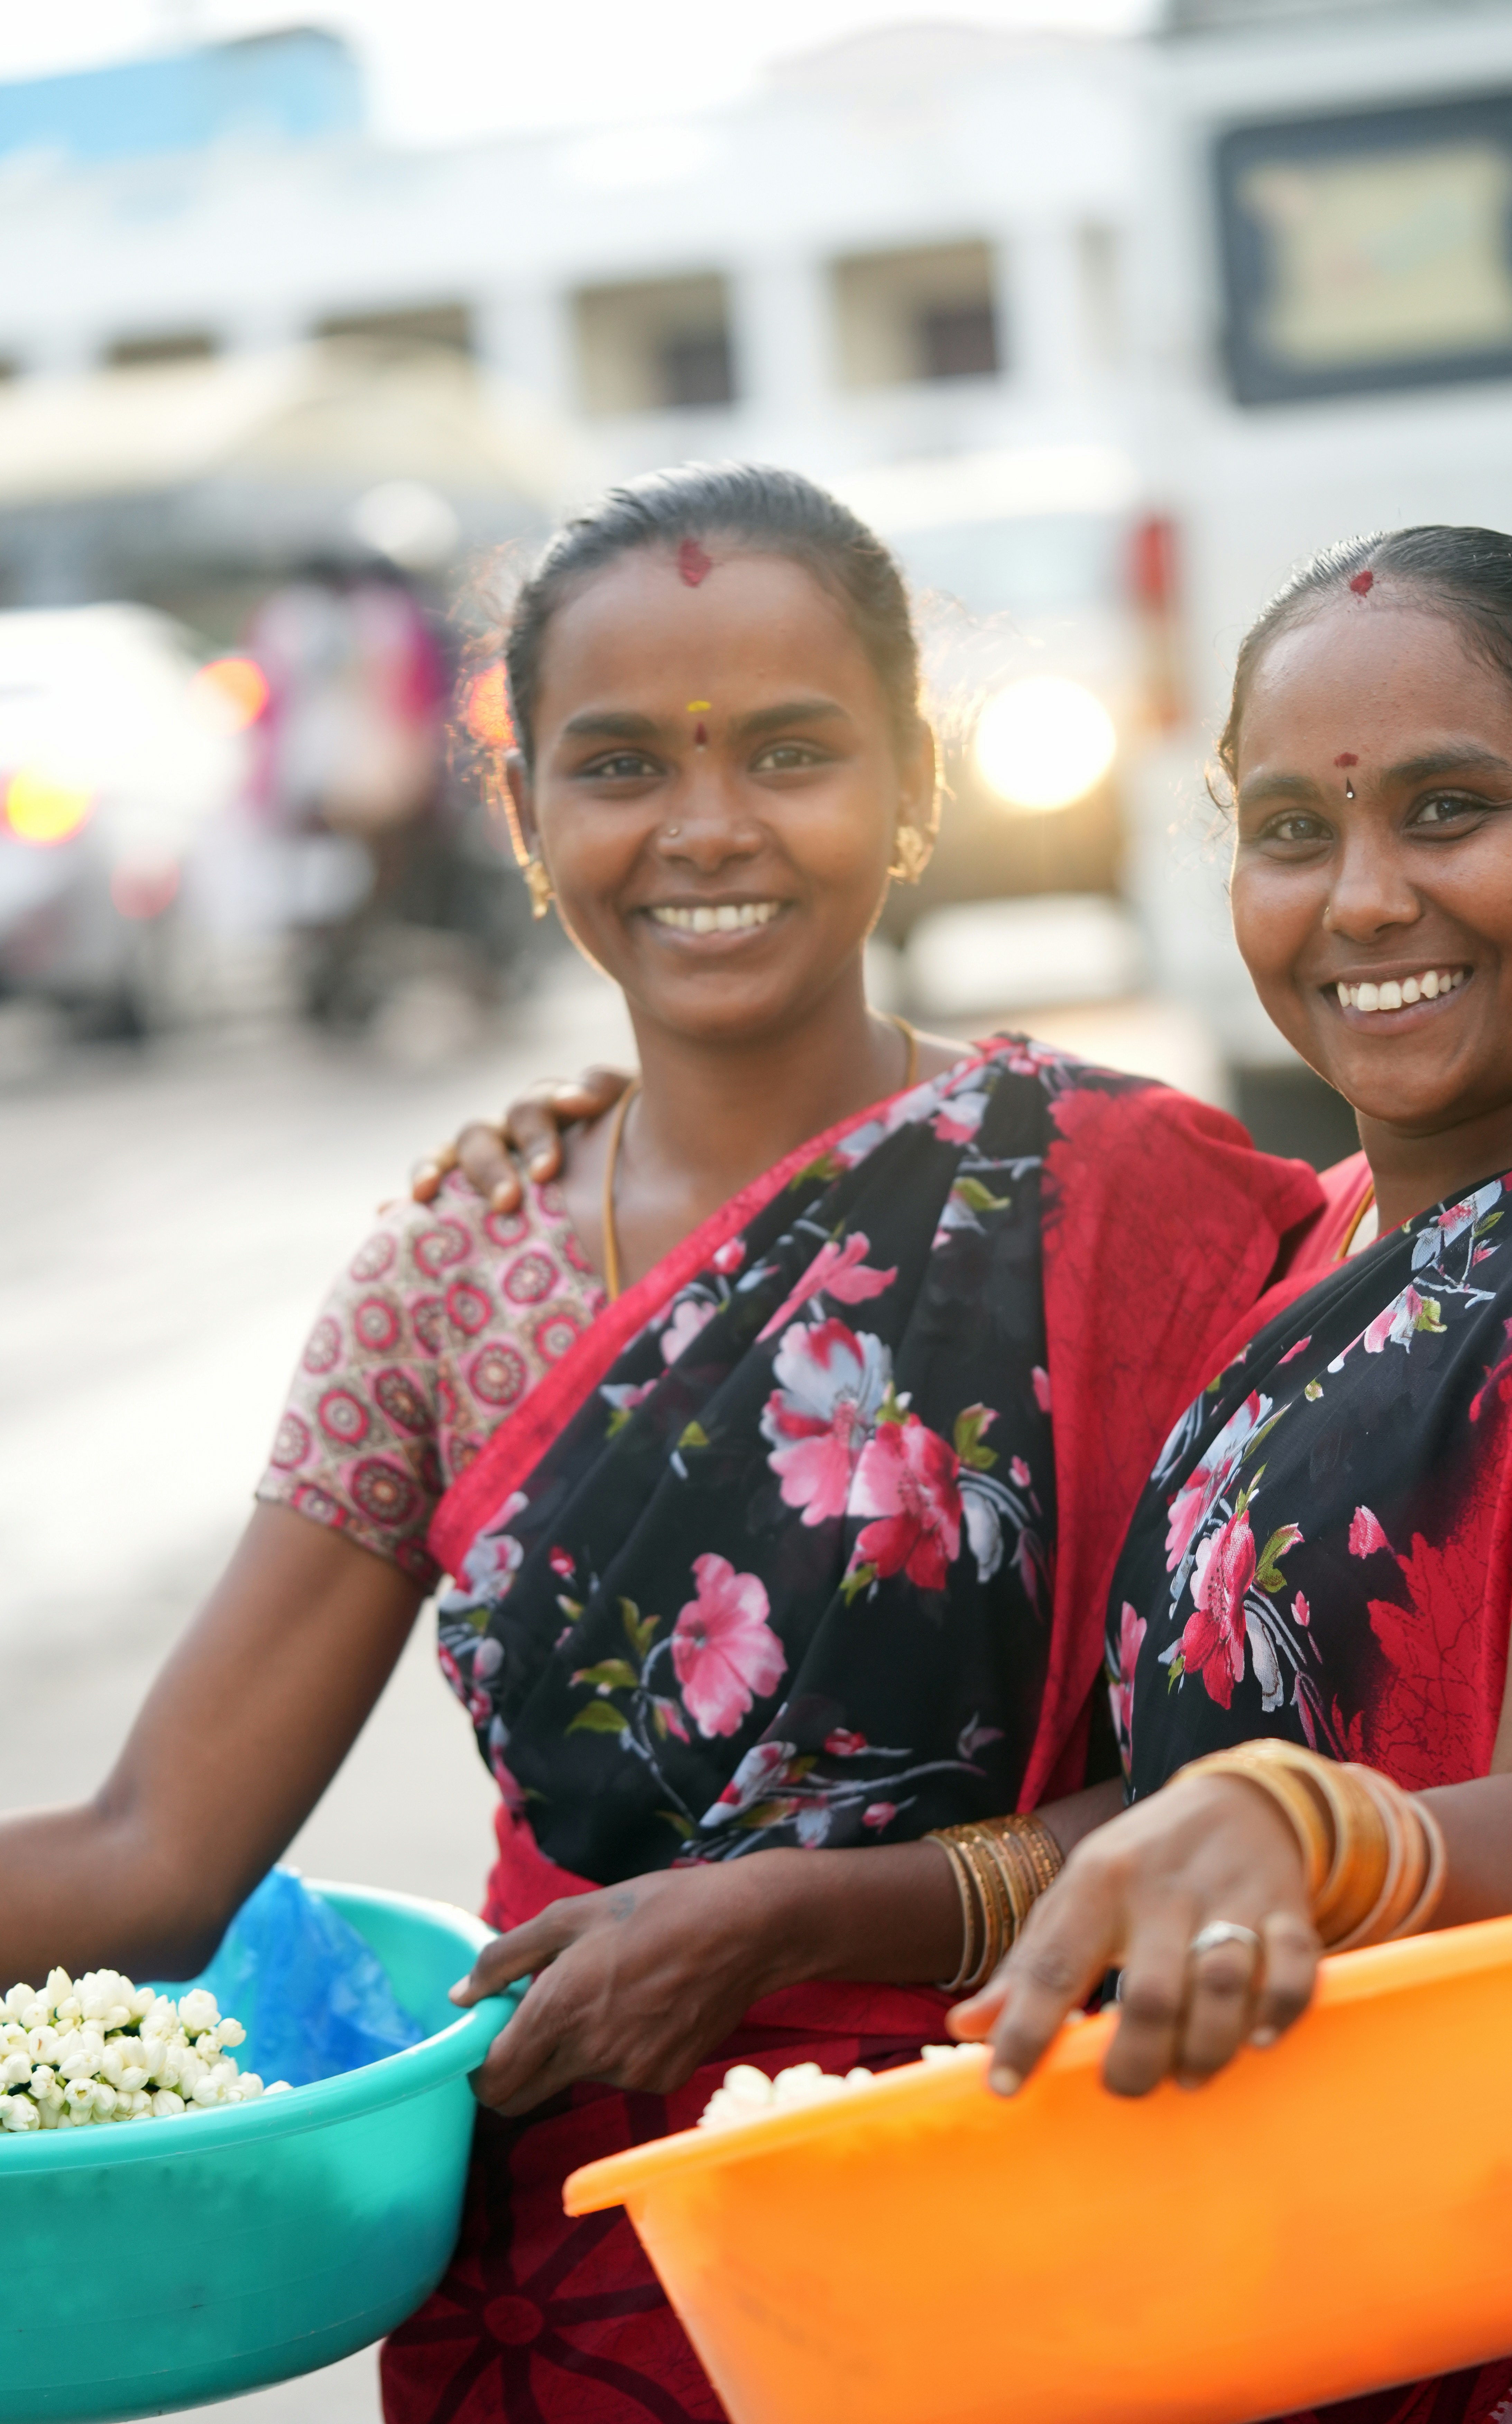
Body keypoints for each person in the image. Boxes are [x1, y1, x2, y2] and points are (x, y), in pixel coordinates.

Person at [0, 464, 1321, 2424]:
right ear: (526, 821)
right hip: (597, 2270)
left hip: (1058, 2192)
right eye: (619, 768)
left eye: (792, 753)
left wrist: (813, 1915)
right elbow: (153, 1856)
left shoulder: (1139, 1201)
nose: (710, 830)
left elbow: (1297, 1782)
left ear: (913, 788)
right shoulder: (451, 1268)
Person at [935, 526, 1512, 2424]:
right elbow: (1185, 1799)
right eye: (1294, 832)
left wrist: (1303, 1833)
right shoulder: (1302, 1238)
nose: (1366, 898)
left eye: (1452, 808)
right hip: (1295, 2285)